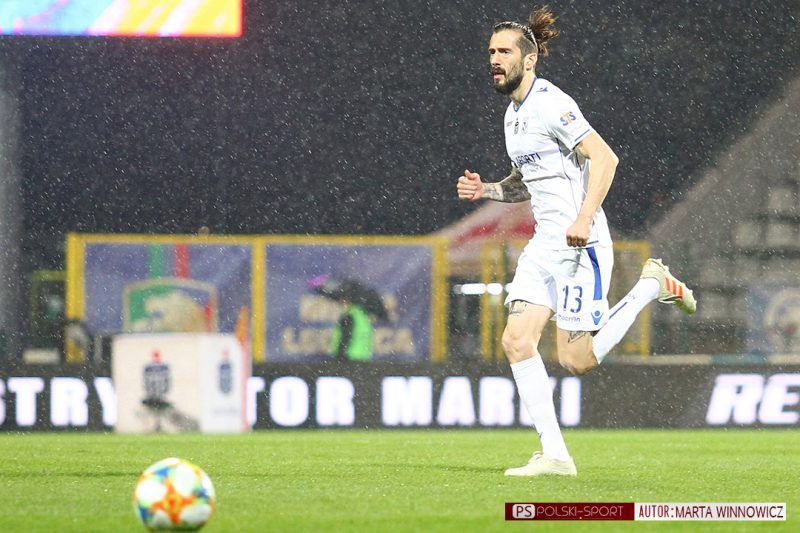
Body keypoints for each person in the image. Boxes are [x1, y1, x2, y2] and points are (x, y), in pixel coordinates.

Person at [456, 6, 696, 477]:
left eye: (504, 52)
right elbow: (526, 182)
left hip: (579, 244)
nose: (495, 60)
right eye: (491, 52)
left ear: (529, 60)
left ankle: (651, 284)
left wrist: (585, 218)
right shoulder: (513, 115)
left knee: (575, 360)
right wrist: (487, 190)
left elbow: (605, 158)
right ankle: (555, 456)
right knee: (517, 341)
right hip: (545, 244)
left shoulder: (551, 103)